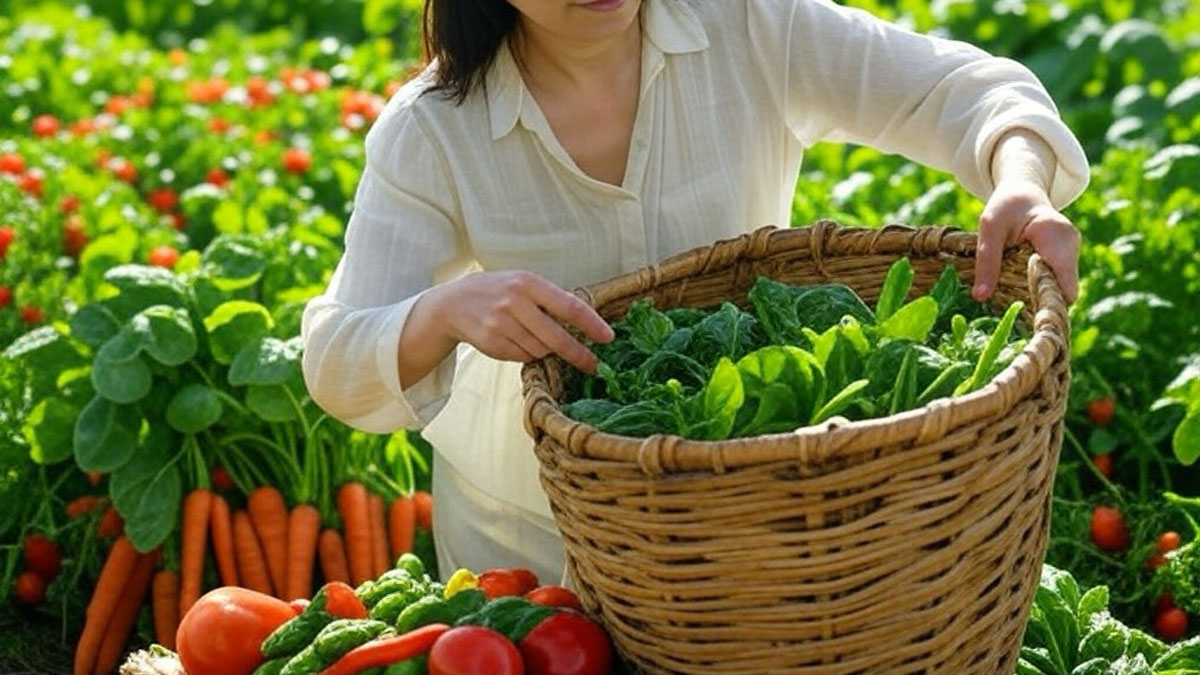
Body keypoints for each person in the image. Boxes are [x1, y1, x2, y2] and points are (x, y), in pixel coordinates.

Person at [301, 0, 1089, 584]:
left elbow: (965, 89)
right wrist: (443, 312)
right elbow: (336, 355)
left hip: (743, 506)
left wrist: (1020, 180)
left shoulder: (747, 25)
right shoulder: (435, 128)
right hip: (531, 530)